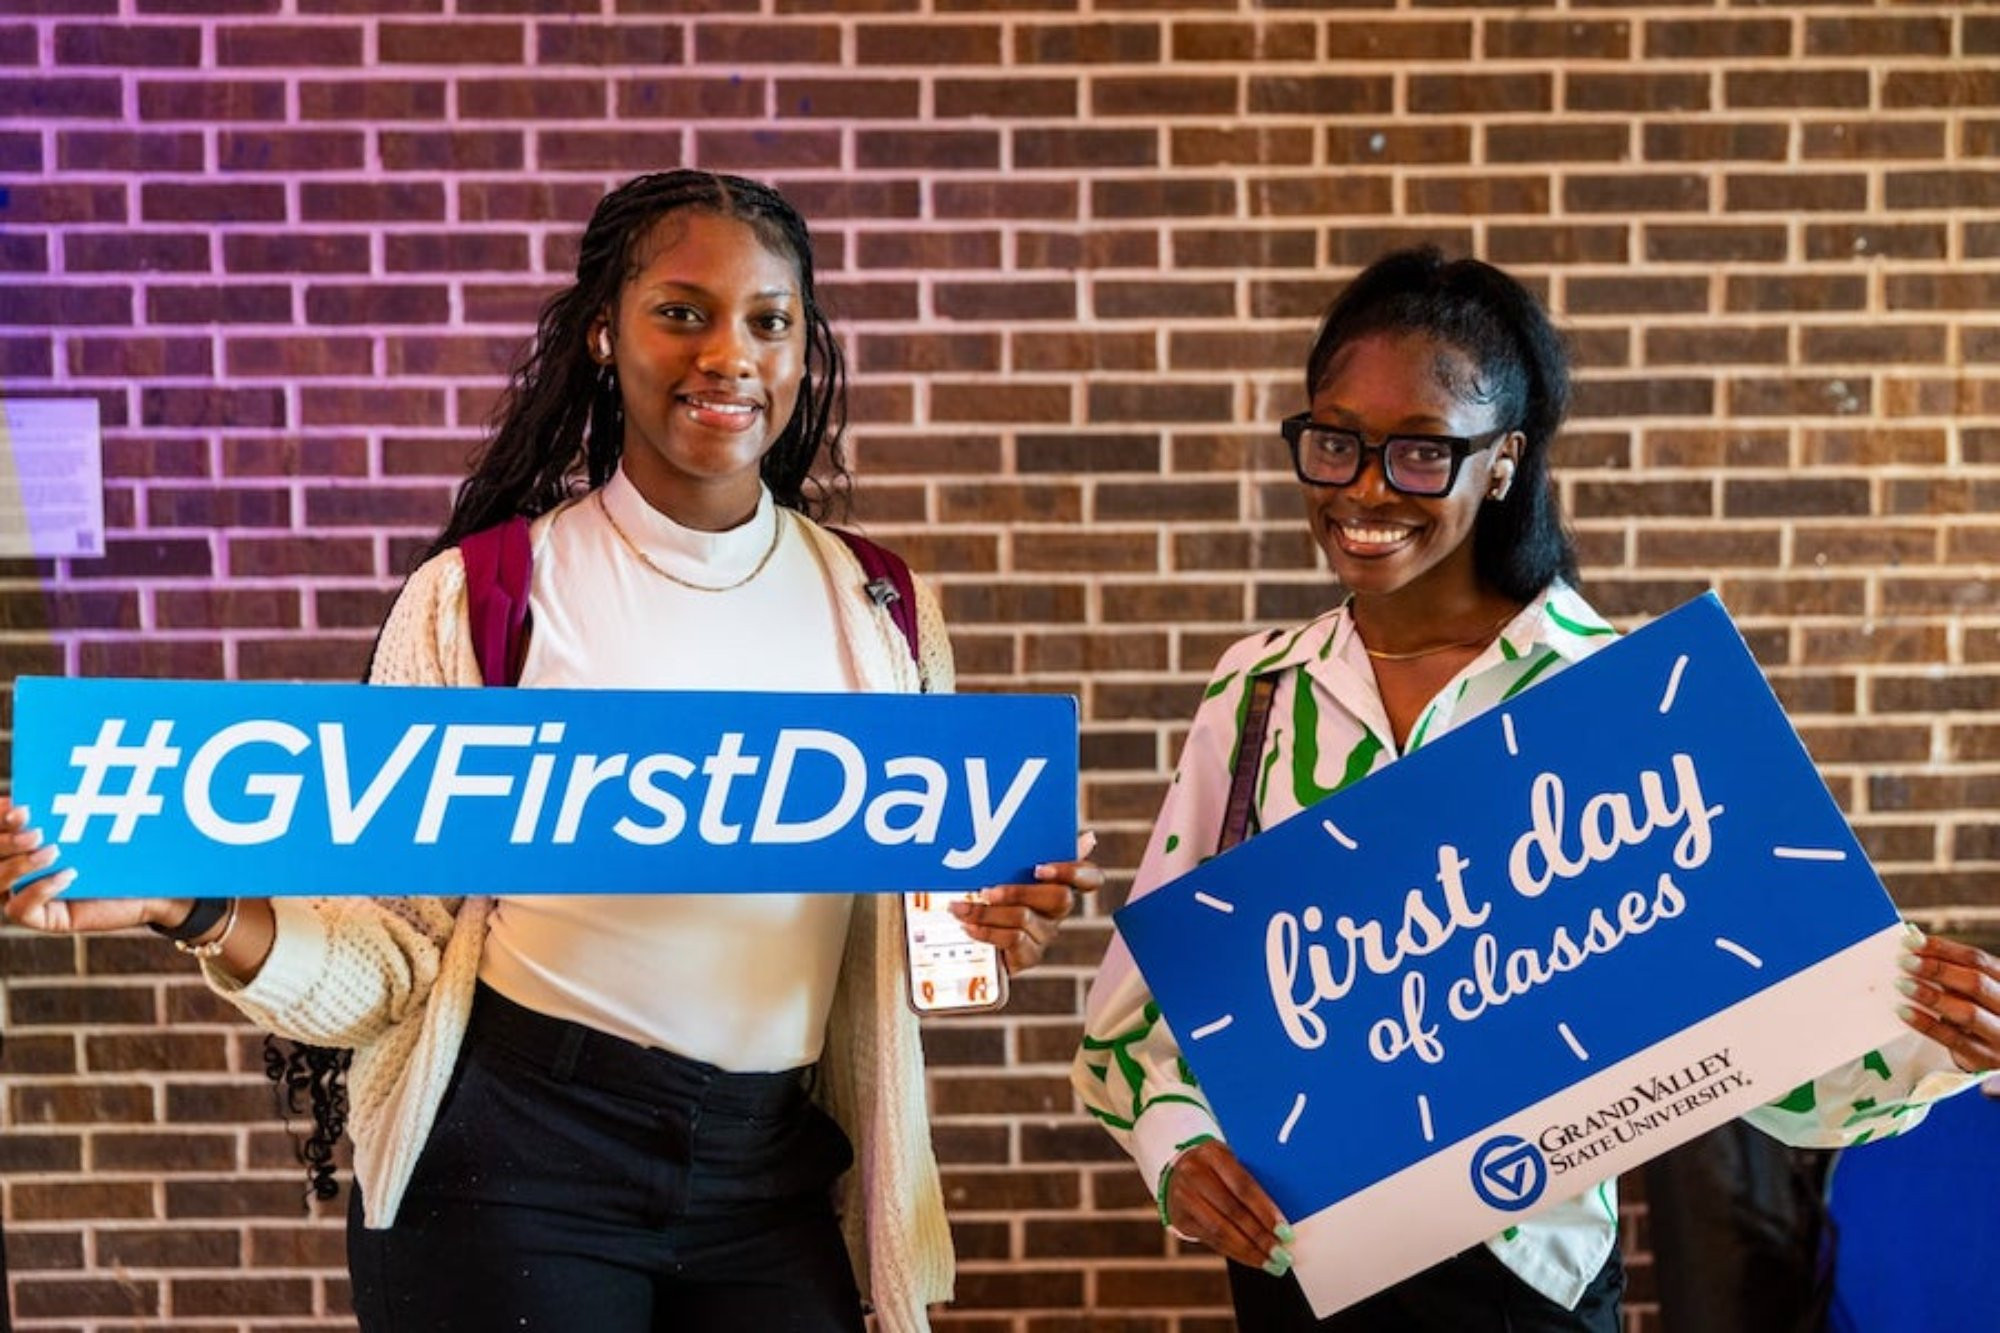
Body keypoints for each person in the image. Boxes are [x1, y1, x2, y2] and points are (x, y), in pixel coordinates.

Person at [3, 169, 1102, 1333]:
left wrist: (986, 933)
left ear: (800, 349)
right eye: (681, 310)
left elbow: (920, 957)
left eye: (768, 320)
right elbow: (393, 953)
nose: (729, 352)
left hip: (771, 1171)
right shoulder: (486, 597)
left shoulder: (881, 608)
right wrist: (197, 907)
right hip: (513, 1162)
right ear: (600, 332)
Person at [1071, 246, 2000, 1332]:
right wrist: (1176, 1152)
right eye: (1335, 442)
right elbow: (1138, 1019)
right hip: (1297, 1263)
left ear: (1501, 460)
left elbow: (1765, 1039)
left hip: (1528, 1282)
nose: (1366, 488)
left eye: (1423, 451)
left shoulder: (1614, 700)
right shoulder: (1257, 695)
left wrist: (1942, 1028)